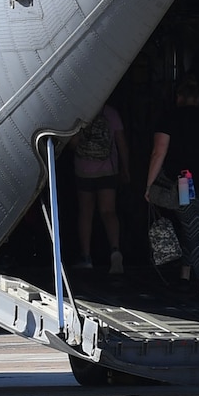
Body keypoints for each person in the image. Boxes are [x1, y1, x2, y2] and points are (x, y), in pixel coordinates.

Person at [143, 79, 199, 296]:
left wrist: (149, 184)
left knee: (194, 230)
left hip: (184, 181)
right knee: (193, 224)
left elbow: (159, 152)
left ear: (179, 98)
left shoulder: (169, 119)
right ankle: (185, 274)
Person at [70, 100, 128, 275]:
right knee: (109, 212)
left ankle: (86, 258)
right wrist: (126, 169)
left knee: (86, 213)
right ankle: (115, 250)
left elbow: (72, 144)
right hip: (108, 170)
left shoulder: (79, 111)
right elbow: (122, 144)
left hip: (84, 170)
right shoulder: (111, 113)